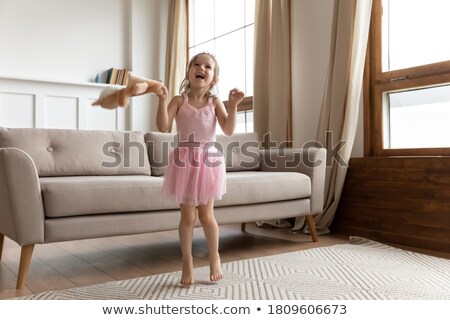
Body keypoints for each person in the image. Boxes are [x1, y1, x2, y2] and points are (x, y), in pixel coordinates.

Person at [156, 52, 244, 285]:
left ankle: (214, 256)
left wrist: (233, 105)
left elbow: (227, 130)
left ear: (213, 78)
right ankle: (187, 261)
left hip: (208, 161)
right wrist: (161, 100)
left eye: (208, 66)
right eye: (197, 64)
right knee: (187, 216)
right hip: (184, 161)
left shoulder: (214, 102)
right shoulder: (179, 100)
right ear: (188, 72)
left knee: (206, 216)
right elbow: (164, 126)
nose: (201, 68)